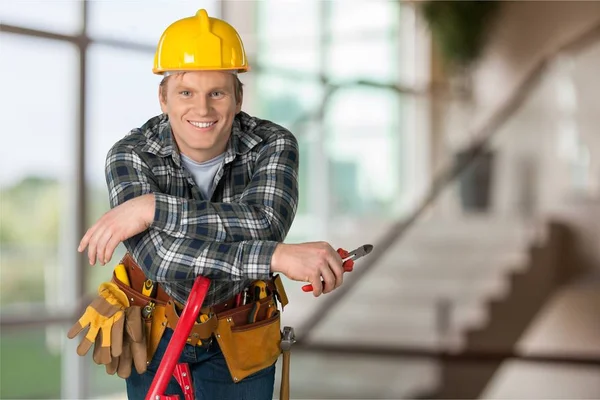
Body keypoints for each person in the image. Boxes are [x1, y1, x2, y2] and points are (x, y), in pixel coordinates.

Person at [76, 9, 348, 400]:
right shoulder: (130, 155)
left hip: (241, 329)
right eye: (186, 92)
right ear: (163, 98)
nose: (202, 110)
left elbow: (265, 221)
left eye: (216, 92)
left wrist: (153, 208)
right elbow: (162, 258)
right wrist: (274, 258)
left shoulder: (273, 144)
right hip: (154, 330)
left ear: (238, 97)